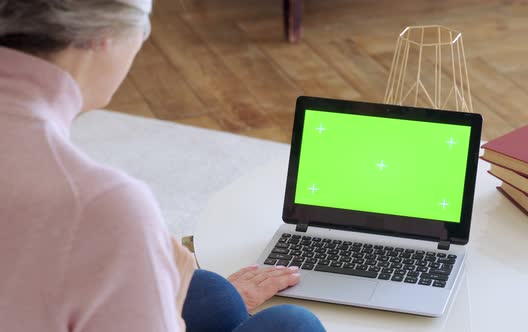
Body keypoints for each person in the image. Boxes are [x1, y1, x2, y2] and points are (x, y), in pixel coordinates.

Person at [0, 1, 325, 331]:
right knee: (293, 323)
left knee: (214, 293)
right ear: (103, 35)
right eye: (145, 28)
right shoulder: (101, 205)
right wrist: (169, 308)